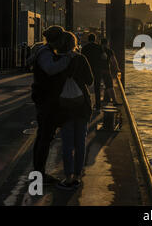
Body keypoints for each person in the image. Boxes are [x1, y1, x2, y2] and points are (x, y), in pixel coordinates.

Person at [27, 26, 72, 184]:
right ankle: (39, 175)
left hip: (43, 98)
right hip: (46, 99)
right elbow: (51, 70)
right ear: (57, 40)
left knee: (42, 137)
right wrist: (67, 58)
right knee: (45, 137)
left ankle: (38, 173)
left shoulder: (43, 51)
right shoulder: (46, 54)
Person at [56, 32, 93, 190]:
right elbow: (90, 81)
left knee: (67, 144)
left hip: (64, 106)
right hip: (82, 104)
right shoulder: (81, 58)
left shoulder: (57, 60)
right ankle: (78, 176)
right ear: (74, 44)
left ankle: (68, 177)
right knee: (80, 143)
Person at [81, 33, 103, 109]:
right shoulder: (99, 47)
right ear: (95, 39)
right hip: (97, 69)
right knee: (97, 87)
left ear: (88, 39)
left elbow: (82, 58)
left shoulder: (84, 48)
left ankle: (86, 104)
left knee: (85, 87)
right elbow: (104, 57)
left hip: (87, 68)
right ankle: (98, 105)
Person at [100, 38, 120, 104]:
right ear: (107, 43)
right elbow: (113, 61)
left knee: (101, 85)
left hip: (98, 70)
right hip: (106, 70)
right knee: (110, 85)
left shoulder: (98, 50)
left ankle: (102, 99)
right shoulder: (109, 51)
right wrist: (117, 69)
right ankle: (114, 101)